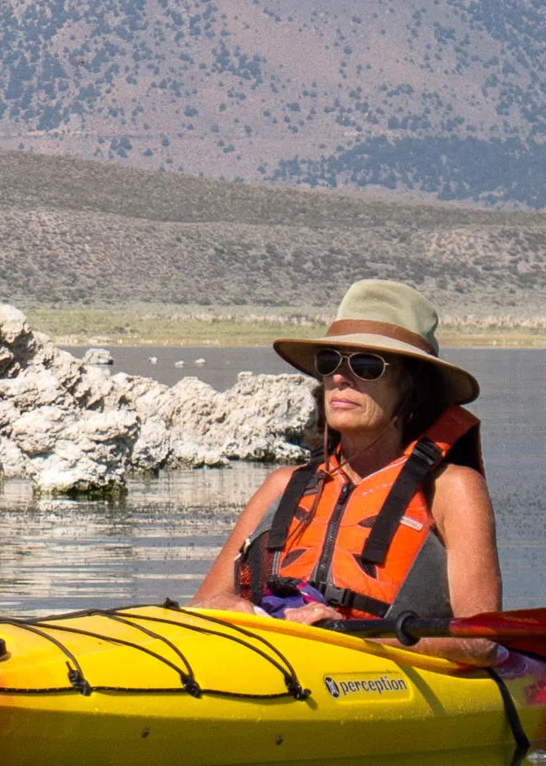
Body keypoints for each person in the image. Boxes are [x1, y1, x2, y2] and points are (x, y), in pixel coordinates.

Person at [189, 279, 503, 667]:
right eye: (329, 362)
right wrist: (250, 614)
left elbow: (481, 642)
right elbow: (204, 603)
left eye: (367, 365)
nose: (340, 377)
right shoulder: (283, 485)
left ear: (412, 387)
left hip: (382, 680)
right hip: (277, 667)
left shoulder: (452, 489)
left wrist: (350, 640)